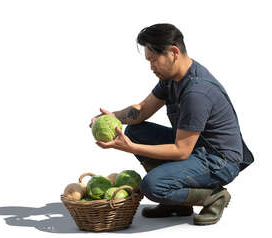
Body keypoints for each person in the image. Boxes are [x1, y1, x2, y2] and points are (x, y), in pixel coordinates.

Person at [89, 23, 254, 225]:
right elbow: (142, 110)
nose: (151, 67)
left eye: (153, 60)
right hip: (197, 147)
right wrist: (112, 117)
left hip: (219, 161)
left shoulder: (197, 92)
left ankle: (214, 196)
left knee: (152, 186)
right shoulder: (172, 78)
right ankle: (176, 200)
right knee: (135, 130)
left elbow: (181, 151)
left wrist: (129, 148)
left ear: (173, 52)